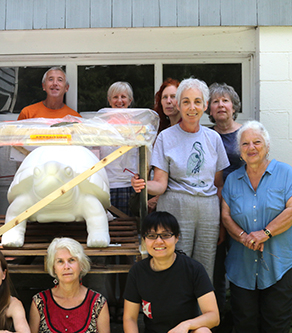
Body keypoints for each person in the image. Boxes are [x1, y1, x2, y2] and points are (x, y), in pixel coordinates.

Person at [131, 78, 229, 280]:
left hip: (209, 211)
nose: (192, 107)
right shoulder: (166, 137)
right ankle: (177, 311)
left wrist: (220, 223)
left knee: (205, 268)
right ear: (178, 104)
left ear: (205, 105)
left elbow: (218, 184)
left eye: (197, 101)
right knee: (175, 266)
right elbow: (160, 183)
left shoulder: (214, 139)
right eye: (185, 101)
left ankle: (204, 311)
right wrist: (144, 184)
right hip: (176, 208)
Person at [222, 120, 292, 333]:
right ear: (239, 151)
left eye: (257, 142)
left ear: (267, 146)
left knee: (277, 324)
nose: (251, 148)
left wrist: (265, 233)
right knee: (244, 325)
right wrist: (244, 236)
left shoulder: (286, 173)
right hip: (241, 267)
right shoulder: (232, 179)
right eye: (245, 144)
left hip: (279, 265)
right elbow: (225, 216)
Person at [123, 211, 219, 333]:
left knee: (203, 331)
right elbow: (130, 318)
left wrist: (186, 325)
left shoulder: (193, 269)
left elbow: (213, 316)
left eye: (165, 235)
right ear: (144, 240)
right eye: (151, 236)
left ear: (177, 237)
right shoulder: (137, 272)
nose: (158, 241)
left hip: (185, 331)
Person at [206, 83, 244, 320]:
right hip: (213, 207)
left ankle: (242, 317)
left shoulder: (247, 133)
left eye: (225, 100)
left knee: (242, 265)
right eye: (215, 101)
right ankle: (217, 319)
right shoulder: (205, 135)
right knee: (216, 267)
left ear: (234, 106)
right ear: (209, 108)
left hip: (242, 208)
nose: (221, 105)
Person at [29, 237, 110, 333]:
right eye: (60, 261)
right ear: (54, 268)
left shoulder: (98, 303)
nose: (66, 267)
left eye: (71, 260)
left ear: (81, 265)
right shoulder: (39, 302)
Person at [99, 81, 137, 216]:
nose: (119, 101)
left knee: (129, 230)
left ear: (130, 100)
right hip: (105, 186)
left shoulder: (138, 125)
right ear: (109, 100)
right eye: (115, 97)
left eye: (123, 97)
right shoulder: (101, 125)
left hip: (130, 187)